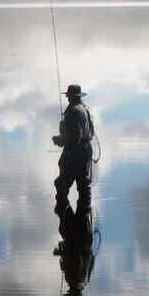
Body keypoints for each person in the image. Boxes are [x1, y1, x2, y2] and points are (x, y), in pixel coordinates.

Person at [52, 84, 95, 215]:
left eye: (68, 96)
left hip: (74, 154)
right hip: (86, 150)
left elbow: (74, 137)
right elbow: (90, 132)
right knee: (84, 184)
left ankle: (63, 213)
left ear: (72, 97)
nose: (67, 99)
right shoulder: (86, 109)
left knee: (62, 184)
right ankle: (84, 215)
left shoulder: (73, 111)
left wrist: (59, 140)